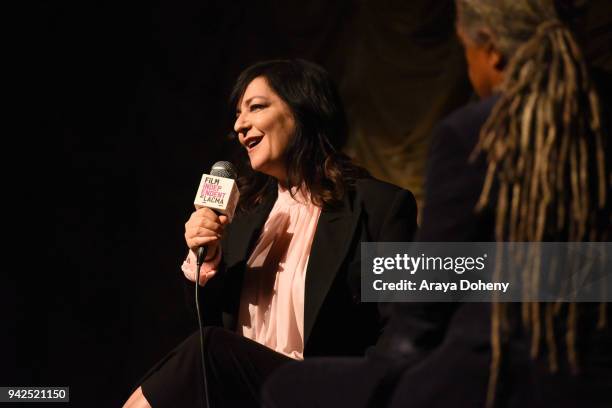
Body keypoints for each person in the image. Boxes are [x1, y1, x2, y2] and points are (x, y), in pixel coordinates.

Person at [262, 1, 611, 407]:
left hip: (501, 369)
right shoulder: (597, 113)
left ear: (492, 50)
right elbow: (571, 270)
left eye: (466, 50)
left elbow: (428, 303)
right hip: (596, 357)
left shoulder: (476, 133)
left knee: (287, 387)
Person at [122, 59, 418, 408]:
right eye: (237, 114)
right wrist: (207, 258)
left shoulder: (379, 206)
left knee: (210, 348)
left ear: (305, 111)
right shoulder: (244, 216)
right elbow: (213, 318)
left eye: (256, 107)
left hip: (327, 394)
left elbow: (402, 326)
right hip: (247, 396)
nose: (239, 124)